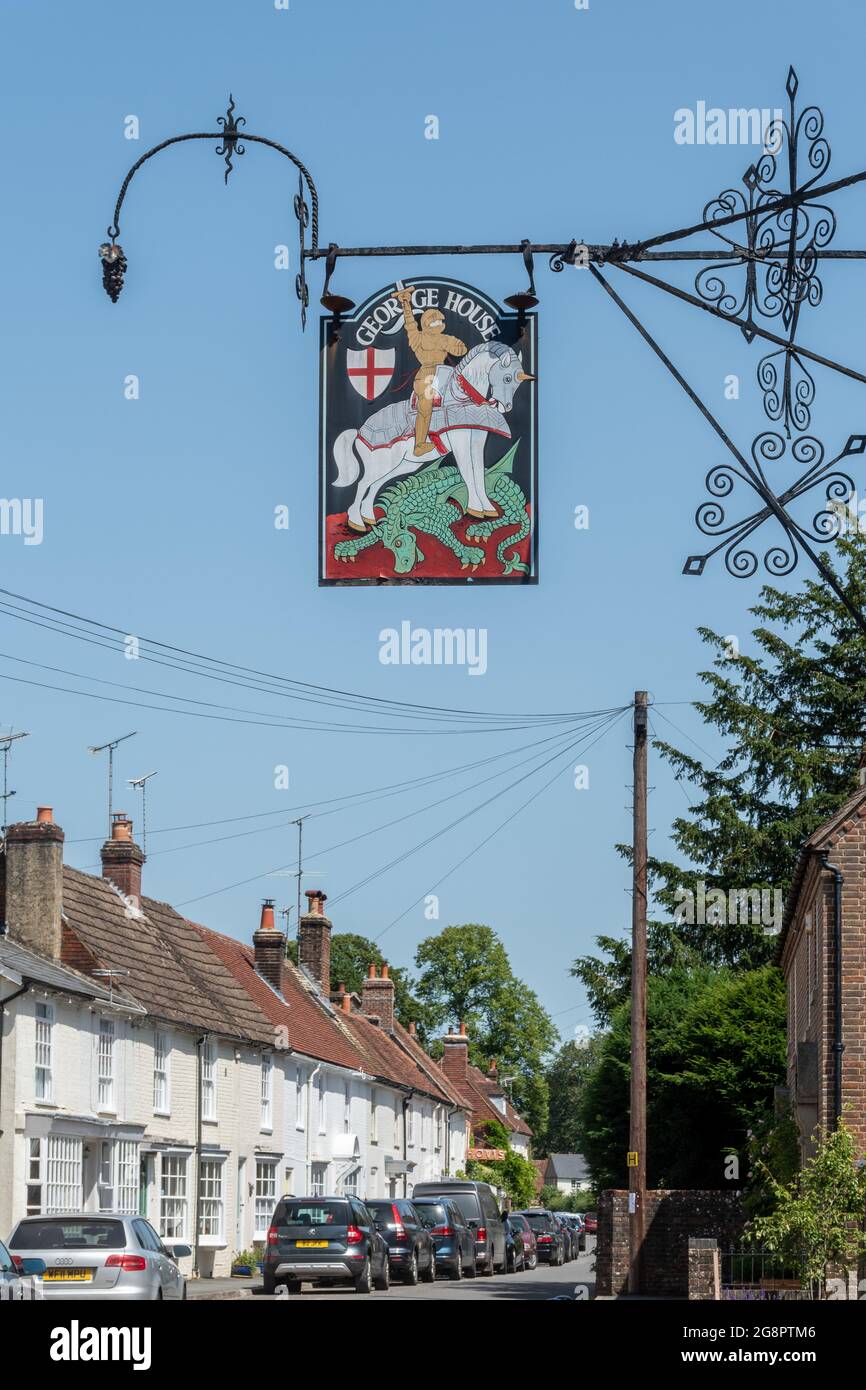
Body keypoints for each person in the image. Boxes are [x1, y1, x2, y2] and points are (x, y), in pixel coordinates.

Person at [395, 286, 467, 455]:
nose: (438, 324)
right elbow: (410, 324)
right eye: (434, 322)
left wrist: (452, 346)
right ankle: (419, 445)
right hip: (426, 376)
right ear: (426, 324)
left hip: (445, 374)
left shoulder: (445, 338)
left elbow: (461, 349)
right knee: (425, 406)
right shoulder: (418, 338)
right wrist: (406, 304)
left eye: (440, 322)